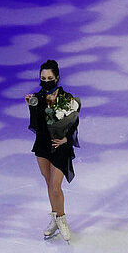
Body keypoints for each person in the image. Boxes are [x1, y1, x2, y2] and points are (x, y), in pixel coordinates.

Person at [25, 59, 80, 242]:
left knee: (56, 187)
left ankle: (62, 220)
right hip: (42, 145)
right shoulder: (38, 98)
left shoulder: (67, 99)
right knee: (49, 183)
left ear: (57, 78)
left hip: (59, 146)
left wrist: (65, 139)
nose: (46, 80)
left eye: (49, 77)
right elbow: (36, 124)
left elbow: (73, 122)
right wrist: (31, 107)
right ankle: (55, 218)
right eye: (42, 78)